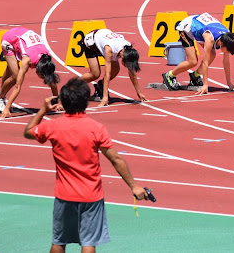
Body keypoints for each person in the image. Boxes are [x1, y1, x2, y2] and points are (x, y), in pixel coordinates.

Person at [23, 77, 150, 253]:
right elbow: (116, 159)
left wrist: (43, 110)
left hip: (64, 195)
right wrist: (134, 186)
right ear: (86, 102)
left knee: (59, 241)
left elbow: (28, 132)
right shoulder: (96, 128)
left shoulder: (53, 126)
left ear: (63, 101)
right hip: (91, 195)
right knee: (88, 243)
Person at [162, 13, 234, 94]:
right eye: (229, 51)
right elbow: (205, 62)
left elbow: (226, 62)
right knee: (192, 61)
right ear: (223, 44)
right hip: (186, 28)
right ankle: (170, 75)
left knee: (212, 54)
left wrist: (229, 83)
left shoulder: (228, 37)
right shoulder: (210, 39)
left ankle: (195, 75)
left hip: (201, 27)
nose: (229, 53)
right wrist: (205, 84)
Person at [0, 27, 59, 118]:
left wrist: (56, 102)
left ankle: (1, 92)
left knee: (12, 68)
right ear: (38, 70)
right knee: (15, 77)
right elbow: (18, 87)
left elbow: (51, 79)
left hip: (21, 36)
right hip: (9, 40)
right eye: (43, 77)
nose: (44, 79)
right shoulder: (27, 60)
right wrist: (7, 108)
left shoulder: (46, 59)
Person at [81, 28, 147, 106]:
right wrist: (105, 97)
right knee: (95, 74)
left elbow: (132, 74)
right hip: (91, 43)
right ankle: (73, 85)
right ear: (123, 56)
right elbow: (107, 74)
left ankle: (100, 85)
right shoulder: (109, 50)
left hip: (105, 39)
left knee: (115, 69)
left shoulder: (128, 48)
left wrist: (139, 92)